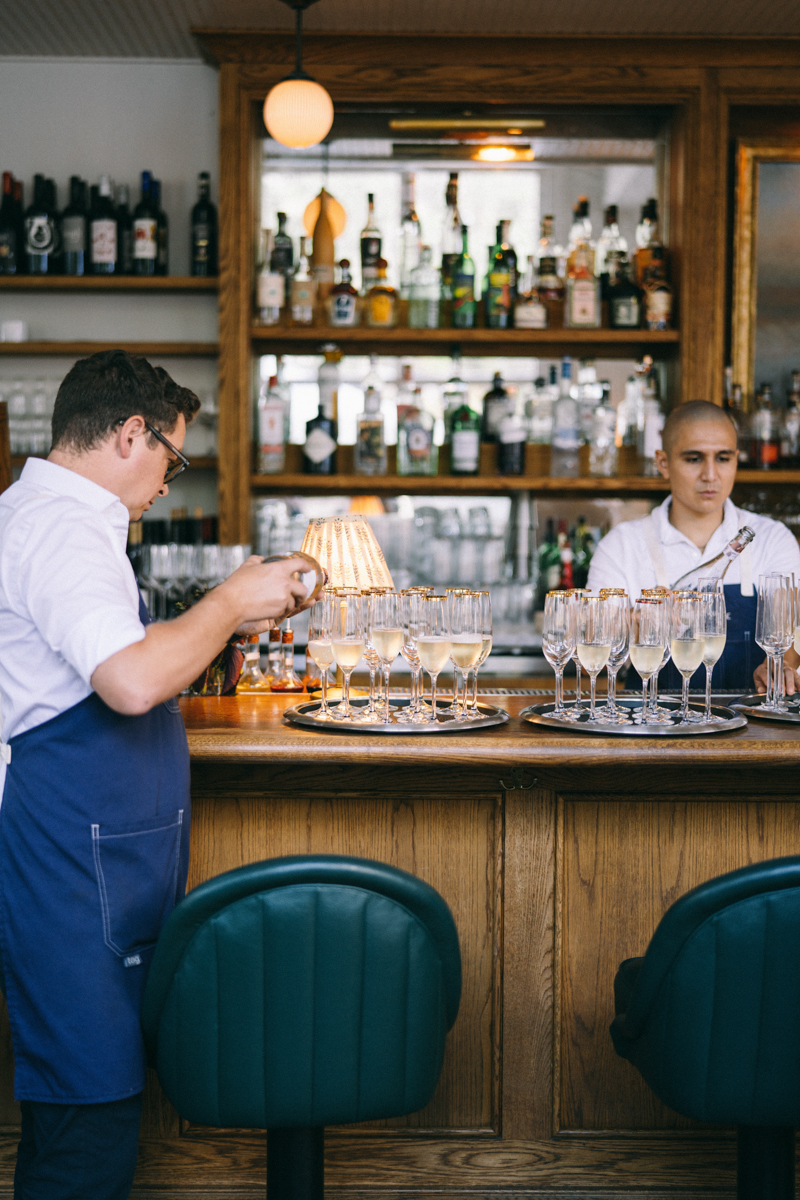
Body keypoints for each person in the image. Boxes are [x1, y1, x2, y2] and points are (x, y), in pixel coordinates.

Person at [0, 349, 312, 1199]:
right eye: (172, 460)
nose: (169, 484)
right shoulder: (61, 529)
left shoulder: (59, 520)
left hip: (98, 869)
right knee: (86, 1131)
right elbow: (131, 680)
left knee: (89, 1120)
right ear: (131, 433)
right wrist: (229, 601)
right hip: (71, 877)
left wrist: (220, 630)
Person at [587, 399, 800, 693]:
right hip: (652, 731)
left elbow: (789, 641)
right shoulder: (621, 546)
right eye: (694, 459)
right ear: (663, 463)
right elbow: (593, 651)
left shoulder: (773, 539)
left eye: (723, 458)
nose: (710, 475)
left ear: (737, 459)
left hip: (752, 732)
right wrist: (626, 627)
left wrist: (777, 668)